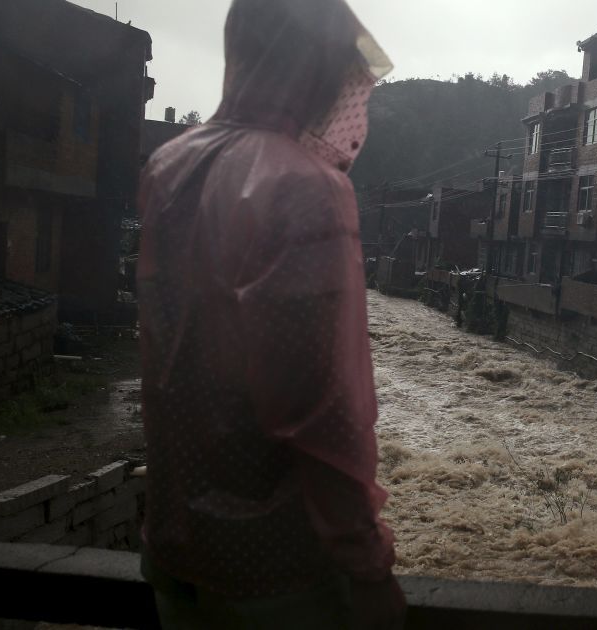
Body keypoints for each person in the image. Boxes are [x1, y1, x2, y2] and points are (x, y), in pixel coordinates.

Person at [135, 0, 401, 627]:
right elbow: (318, 407)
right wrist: (366, 567)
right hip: (277, 575)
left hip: (173, 552)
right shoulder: (307, 186)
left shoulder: (169, 166)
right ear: (315, 66)